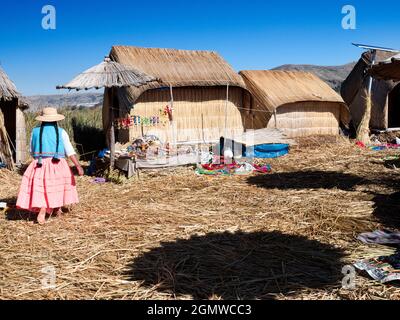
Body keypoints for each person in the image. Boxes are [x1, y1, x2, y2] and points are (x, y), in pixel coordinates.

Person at [16, 107, 84, 224]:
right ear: (55, 119)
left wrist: (39, 157)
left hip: (40, 163)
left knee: (43, 187)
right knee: (57, 186)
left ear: (42, 119)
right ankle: (52, 208)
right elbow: (69, 151)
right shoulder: (61, 132)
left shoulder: (35, 131)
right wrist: (78, 165)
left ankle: (46, 208)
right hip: (57, 163)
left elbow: (32, 150)